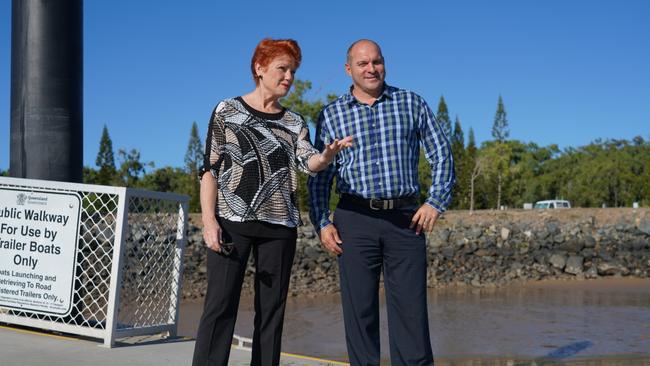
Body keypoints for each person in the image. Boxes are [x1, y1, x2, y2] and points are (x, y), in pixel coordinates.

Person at [192, 38, 352, 366]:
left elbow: (309, 163)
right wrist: (209, 222)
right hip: (230, 224)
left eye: (293, 71)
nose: (289, 77)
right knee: (220, 307)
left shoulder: (294, 123)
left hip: (280, 229)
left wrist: (327, 155)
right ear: (259, 68)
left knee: (271, 315)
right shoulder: (227, 110)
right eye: (283, 68)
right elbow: (208, 169)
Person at [308, 39, 455, 366]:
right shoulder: (331, 114)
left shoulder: (411, 103)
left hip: (406, 219)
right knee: (359, 312)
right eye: (363, 64)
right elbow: (320, 175)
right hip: (354, 218)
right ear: (349, 69)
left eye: (377, 62)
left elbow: (442, 155)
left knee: (411, 312)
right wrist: (322, 221)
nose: (371, 69)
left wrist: (435, 202)